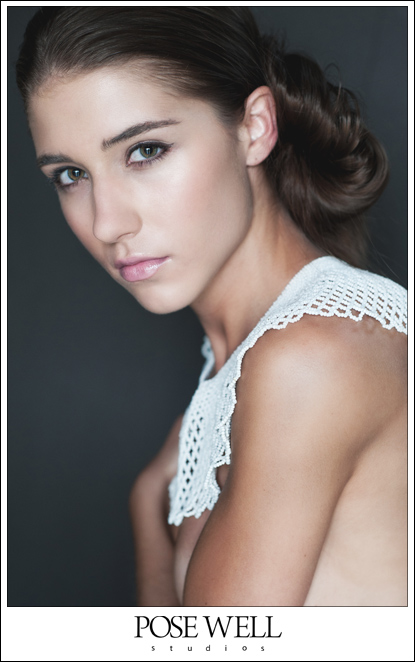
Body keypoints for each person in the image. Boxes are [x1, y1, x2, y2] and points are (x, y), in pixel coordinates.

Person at [16, 7, 407, 607]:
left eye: (145, 150)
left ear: (254, 127)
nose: (107, 222)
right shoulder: (255, 352)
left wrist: (147, 509)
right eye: (71, 174)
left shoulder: (313, 357)